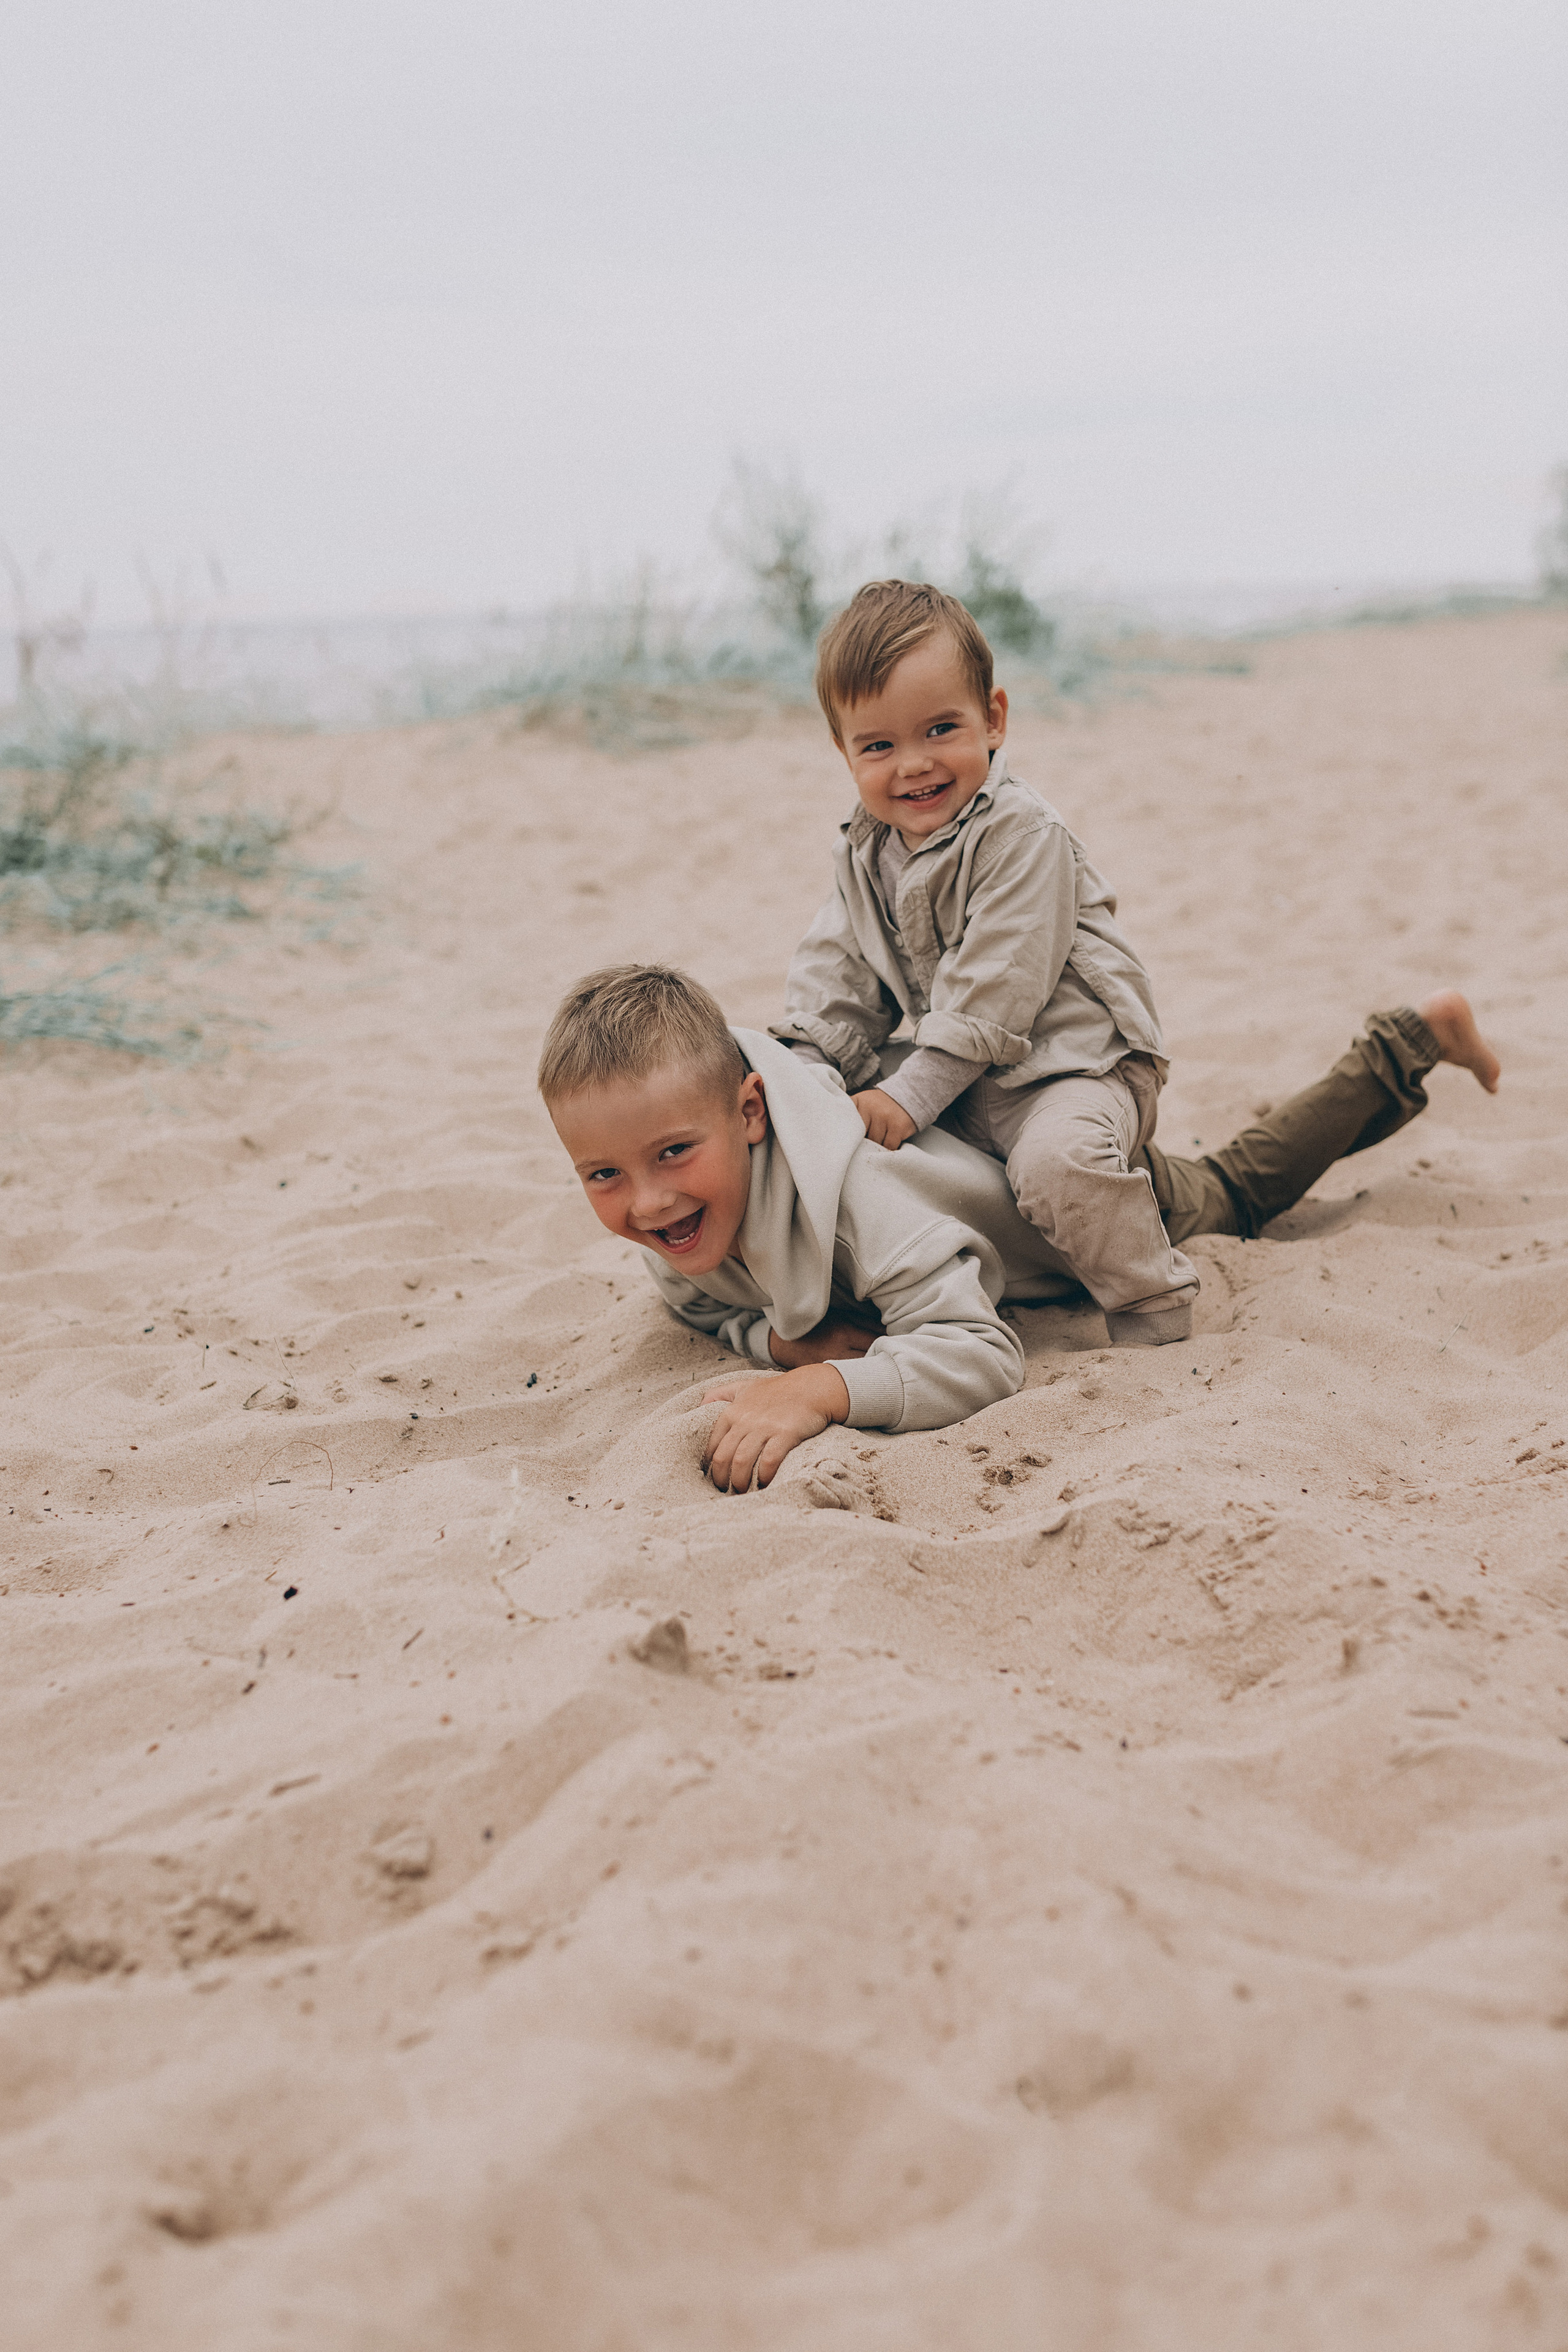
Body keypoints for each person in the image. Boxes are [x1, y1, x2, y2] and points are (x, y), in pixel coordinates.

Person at [538, 962, 1498, 1494]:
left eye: (673, 1154)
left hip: (1085, 1212)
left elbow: (985, 1354)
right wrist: (775, 1337)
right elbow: (714, 1313)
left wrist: (826, 1389)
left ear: (752, 1112)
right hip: (978, 1170)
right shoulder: (672, 1244)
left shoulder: (853, 1200)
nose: (649, 1203)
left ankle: (1408, 1041)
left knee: (1237, 1190)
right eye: (604, 1175)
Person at [775, 578, 1203, 1344]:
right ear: (844, 752)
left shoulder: (1022, 833)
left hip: (1077, 1065)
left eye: (941, 729)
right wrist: (808, 1067)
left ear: (994, 719)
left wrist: (907, 1100)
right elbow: (839, 974)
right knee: (863, 1133)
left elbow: (993, 993)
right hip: (970, 1077)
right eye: (879, 745)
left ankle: (1150, 1306)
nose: (913, 765)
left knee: (1056, 1165)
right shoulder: (866, 849)